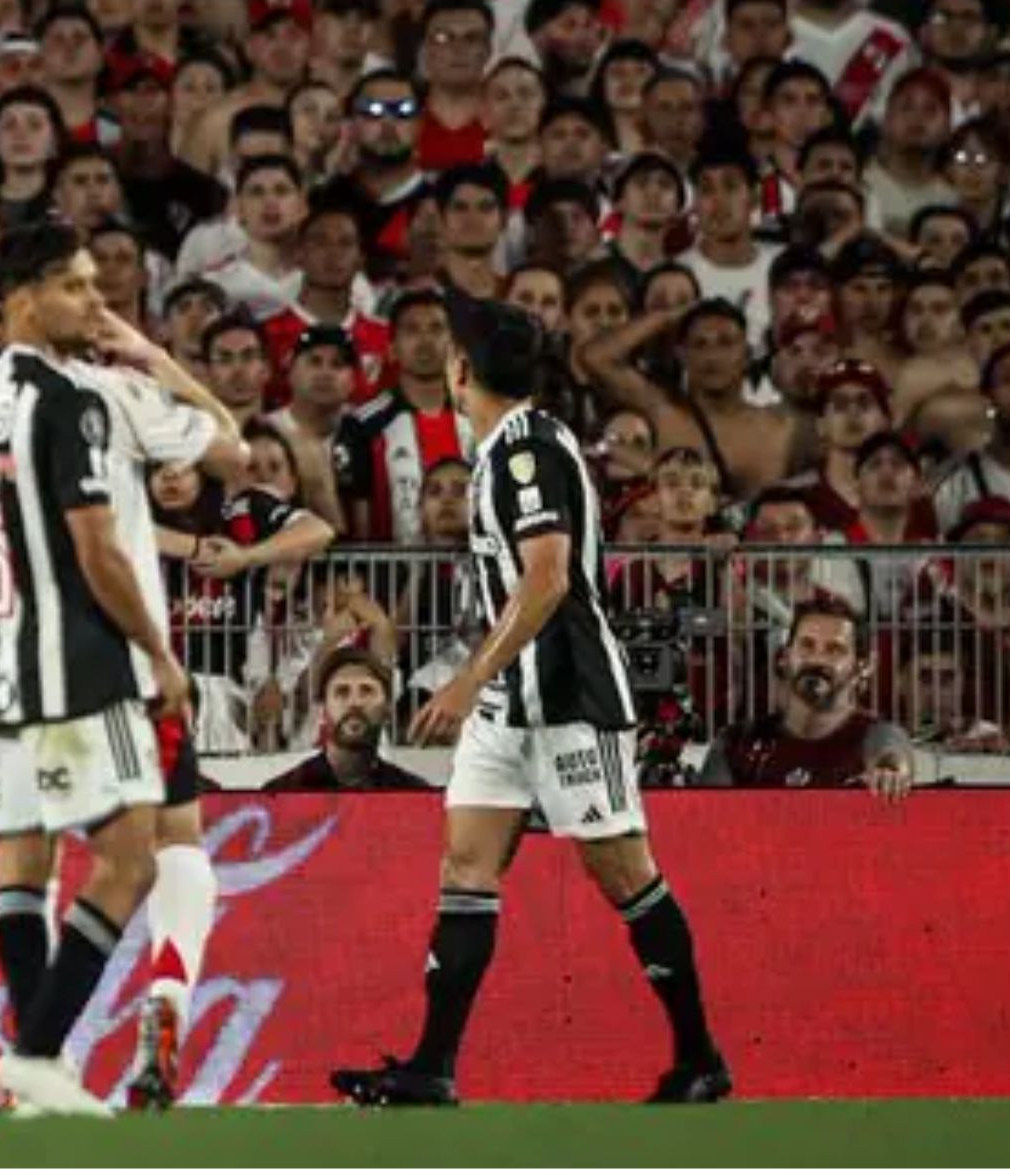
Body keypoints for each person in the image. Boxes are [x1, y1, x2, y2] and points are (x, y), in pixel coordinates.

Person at [334, 297, 730, 1108]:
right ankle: (432, 1068)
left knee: (624, 872)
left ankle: (700, 1057)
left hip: (571, 694)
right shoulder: (505, 449)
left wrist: (467, 677)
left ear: (461, 370)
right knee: (466, 868)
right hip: (510, 701)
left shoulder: (526, 451)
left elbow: (548, 577)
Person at [0, 220, 189, 1119]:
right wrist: (157, 651)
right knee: (130, 859)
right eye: (75, 287)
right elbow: (97, 547)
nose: (95, 301)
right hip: (75, 665)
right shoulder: (64, 398)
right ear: (21, 298)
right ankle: (36, 1056)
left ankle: (34, 1081)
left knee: (21, 860)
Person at [70, 304, 255, 1110]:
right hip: (133, 663)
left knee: (41, 860)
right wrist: (153, 355)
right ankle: (168, 1000)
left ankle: (35, 1056)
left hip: (43, 663)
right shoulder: (122, 403)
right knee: (177, 843)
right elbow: (229, 443)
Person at [697, 601, 913, 800]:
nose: (817, 659)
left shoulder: (876, 734)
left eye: (834, 650)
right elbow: (705, 816)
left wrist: (889, 773)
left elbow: (891, 756)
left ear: (863, 667)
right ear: (784, 658)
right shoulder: (736, 741)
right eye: (807, 645)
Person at [262, 649, 431, 791]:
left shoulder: (413, 792)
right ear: (322, 709)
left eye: (367, 691)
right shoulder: (284, 793)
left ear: (387, 708)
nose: (355, 703)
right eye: (342, 692)